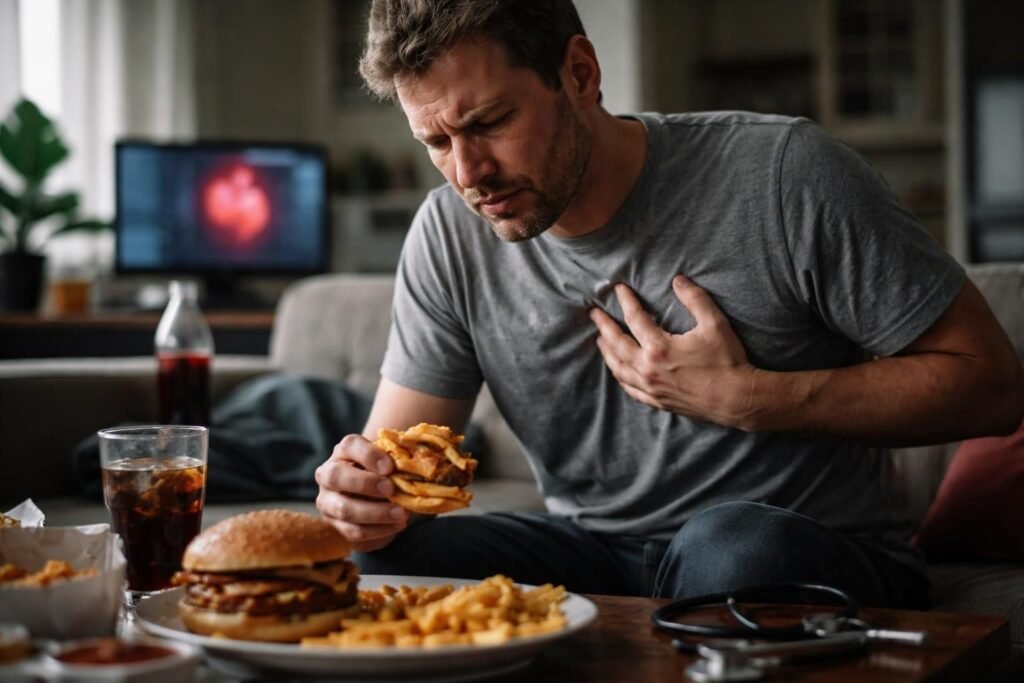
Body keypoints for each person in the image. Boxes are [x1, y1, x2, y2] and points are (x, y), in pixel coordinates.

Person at [315, 0, 1024, 607]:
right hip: (595, 554)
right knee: (383, 567)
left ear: (580, 74)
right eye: (436, 141)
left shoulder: (784, 175)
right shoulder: (447, 235)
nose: (468, 174)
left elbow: (991, 385)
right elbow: (399, 467)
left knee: (732, 550)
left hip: (793, 550)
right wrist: (363, 496)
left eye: (490, 123)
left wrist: (754, 399)